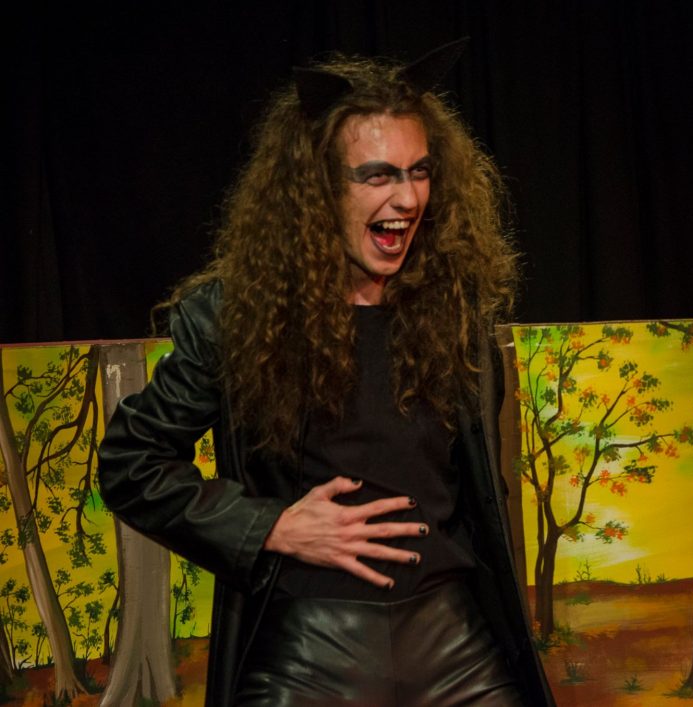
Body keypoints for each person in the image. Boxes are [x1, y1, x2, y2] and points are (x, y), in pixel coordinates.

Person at [98, 40, 553, 706]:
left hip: (454, 643)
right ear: (318, 189)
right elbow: (131, 464)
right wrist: (270, 525)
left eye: (419, 171)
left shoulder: (454, 308)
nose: (407, 197)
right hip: (311, 649)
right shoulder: (235, 316)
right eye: (377, 175)